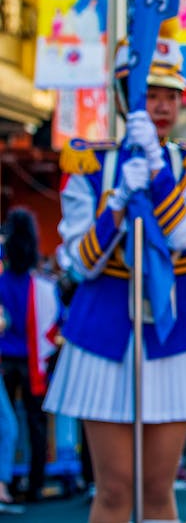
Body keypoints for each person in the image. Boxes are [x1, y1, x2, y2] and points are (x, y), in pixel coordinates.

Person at [45, 22, 186, 523]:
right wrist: (118, 206)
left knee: (157, 489)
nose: (162, 105)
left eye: (171, 94)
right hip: (105, 327)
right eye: (149, 92)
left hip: (172, 329)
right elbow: (78, 263)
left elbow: (185, 235)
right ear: (125, 93)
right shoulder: (89, 165)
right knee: (114, 490)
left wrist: (158, 170)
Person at [0, 209, 55, 510]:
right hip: (31, 359)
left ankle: (6, 481)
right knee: (34, 422)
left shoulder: (3, 282)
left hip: (6, 358)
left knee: (6, 422)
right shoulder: (40, 286)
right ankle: (35, 482)